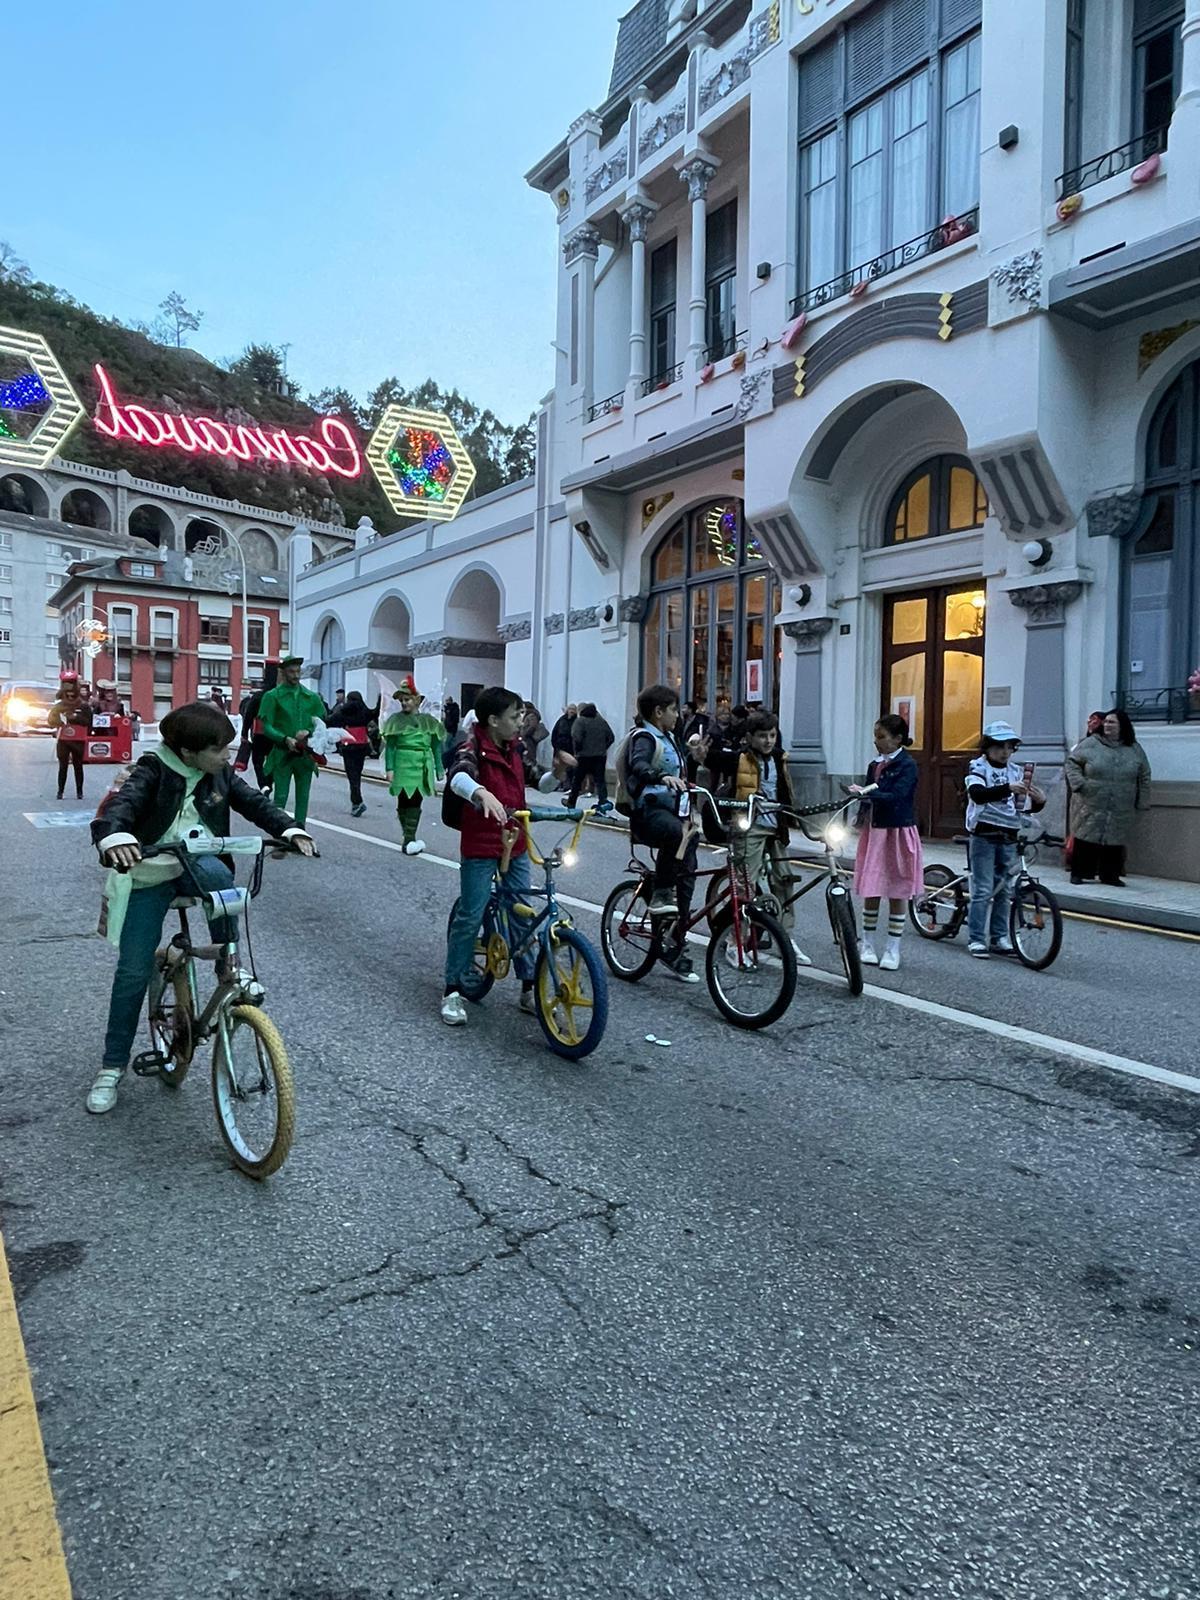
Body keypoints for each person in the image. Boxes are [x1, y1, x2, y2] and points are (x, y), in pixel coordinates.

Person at [87, 700, 315, 1115]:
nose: (228, 758)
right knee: (133, 970)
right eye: (219, 750)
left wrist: (291, 830)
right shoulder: (151, 770)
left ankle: (228, 965)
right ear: (188, 752)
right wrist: (115, 838)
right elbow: (120, 808)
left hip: (194, 865)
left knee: (218, 876)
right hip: (148, 874)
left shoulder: (220, 773)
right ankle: (111, 1067)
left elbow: (254, 803)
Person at [441, 686, 539, 1027]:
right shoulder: (471, 747)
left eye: (521, 715)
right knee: (471, 914)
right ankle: (452, 989)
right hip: (482, 844)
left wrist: (559, 773)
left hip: (517, 841)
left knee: (522, 915)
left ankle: (530, 988)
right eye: (515, 717)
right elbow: (458, 778)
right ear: (493, 720)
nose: (520, 722)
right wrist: (481, 792)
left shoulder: (516, 748)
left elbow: (537, 777)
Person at [626, 683, 700, 983]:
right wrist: (661, 775)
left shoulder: (670, 737)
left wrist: (695, 756)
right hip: (650, 813)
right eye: (673, 710)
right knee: (673, 835)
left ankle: (673, 939)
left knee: (687, 873)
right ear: (658, 712)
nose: (677, 715)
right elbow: (638, 764)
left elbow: (682, 772)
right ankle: (660, 892)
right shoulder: (644, 737)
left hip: (675, 811)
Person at [732, 711, 811, 966]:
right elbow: (714, 761)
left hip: (776, 827)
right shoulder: (741, 758)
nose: (768, 741)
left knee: (784, 880)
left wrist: (796, 817)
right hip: (750, 827)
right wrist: (699, 753)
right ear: (750, 737)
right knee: (745, 884)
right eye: (762, 736)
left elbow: (785, 790)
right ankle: (735, 941)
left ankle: (785, 938)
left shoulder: (779, 758)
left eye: (772, 735)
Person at [964, 721, 1045, 958]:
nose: (1005, 752)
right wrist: (1009, 788)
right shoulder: (978, 767)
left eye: (1009, 747)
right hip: (984, 834)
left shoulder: (1016, 771)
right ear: (987, 748)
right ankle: (976, 939)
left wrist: (1039, 801)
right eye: (999, 746)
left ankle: (999, 937)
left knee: (1005, 890)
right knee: (983, 889)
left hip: (1009, 834)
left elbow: (1022, 807)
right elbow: (977, 794)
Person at [850, 714, 923, 971]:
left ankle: (893, 948)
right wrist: (861, 813)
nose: (876, 742)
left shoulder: (908, 765)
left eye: (881, 737)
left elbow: (898, 795)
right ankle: (867, 943)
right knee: (872, 886)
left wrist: (868, 792)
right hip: (876, 830)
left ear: (898, 739)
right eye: (876, 736)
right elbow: (871, 795)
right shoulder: (875, 765)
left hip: (898, 830)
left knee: (898, 888)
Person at [1064, 708, 1152, 887]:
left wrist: (1142, 800)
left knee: (1115, 838)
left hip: (1121, 802)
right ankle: (1079, 873)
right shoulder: (1090, 744)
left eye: (1112, 722)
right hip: (1090, 799)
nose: (1106, 725)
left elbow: (1144, 775)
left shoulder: (1134, 749)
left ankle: (1110, 875)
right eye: (1106, 722)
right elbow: (1072, 763)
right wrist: (1080, 784)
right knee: (1085, 835)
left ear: (1122, 726)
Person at [258, 655, 327, 831]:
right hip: (283, 754)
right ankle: (279, 831)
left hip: (305, 755)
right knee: (280, 796)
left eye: (298, 671)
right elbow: (267, 727)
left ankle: (300, 831)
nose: (296, 675)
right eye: (291, 671)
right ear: (283, 672)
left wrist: (309, 732)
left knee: (303, 796)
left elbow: (321, 724)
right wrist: (285, 738)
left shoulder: (311, 697)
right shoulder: (272, 697)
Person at [381, 675, 445, 855]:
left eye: (407, 699)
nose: (404, 703)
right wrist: (390, 768)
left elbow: (436, 746)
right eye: (401, 700)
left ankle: (409, 837)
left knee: (416, 799)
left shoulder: (429, 721)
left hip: (422, 763)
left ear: (417, 700)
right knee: (403, 799)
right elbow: (391, 747)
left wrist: (439, 768)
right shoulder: (395, 720)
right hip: (403, 762)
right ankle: (408, 838)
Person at [327, 689, 376, 817]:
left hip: (348, 746)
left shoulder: (343, 711)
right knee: (357, 774)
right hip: (361, 745)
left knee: (352, 775)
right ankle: (356, 801)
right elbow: (375, 713)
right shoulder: (364, 711)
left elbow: (330, 721)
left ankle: (357, 802)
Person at [47, 671, 91, 800]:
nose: (70, 697)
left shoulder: (84, 706)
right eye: (68, 695)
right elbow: (50, 721)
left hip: (78, 739)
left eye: (72, 695)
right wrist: (59, 721)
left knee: (78, 765)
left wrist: (75, 717)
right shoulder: (59, 706)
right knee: (63, 766)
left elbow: (88, 722)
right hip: (63, 739)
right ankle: (60, 792)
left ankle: (79, 792)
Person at [568, 702, 615, 811]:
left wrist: (578, 750)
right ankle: (603, 802)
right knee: (600, 781)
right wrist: (603, 747)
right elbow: (611, 737)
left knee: (577, 781)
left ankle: (571, 803)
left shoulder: (580, 721)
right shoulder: (601, 722)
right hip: (600, 756)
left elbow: (577, 737)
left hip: (584, 756)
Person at [518, 702, 550, 787]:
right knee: (527, 758)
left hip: (530, 740)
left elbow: (532, 726)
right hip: (527, 739)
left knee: (530, 759)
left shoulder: (531, 715)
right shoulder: (528, 715)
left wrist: (524, 734)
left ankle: (534, 777)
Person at [550, 703, 579, 790]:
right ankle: (556, 784)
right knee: (557, 766)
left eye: (573, 709)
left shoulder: (577, 721)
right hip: (559, 747)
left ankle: (567, 785)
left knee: (569, 768)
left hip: (570, 747)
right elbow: (555, 732)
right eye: (570, 709)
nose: (572, 711)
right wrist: (555, 745)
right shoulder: (561, 720)